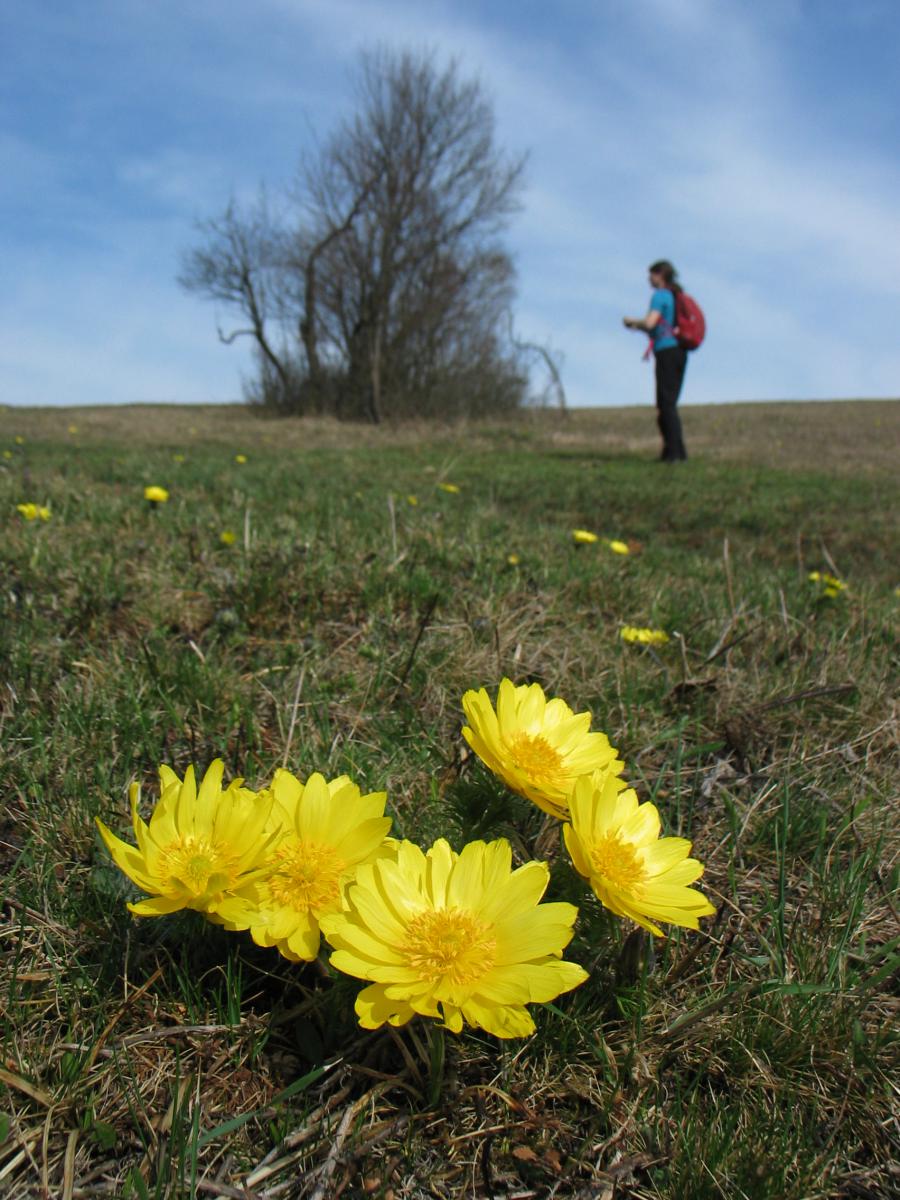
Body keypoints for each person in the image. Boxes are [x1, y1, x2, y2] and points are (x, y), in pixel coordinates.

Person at [623, 260, 688, 462]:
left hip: (666, 352)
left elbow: (651, 322)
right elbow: (657, 327)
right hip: (679, 351)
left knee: (665, 405)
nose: (648, 279)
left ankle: (674, 454)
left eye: (651, 274)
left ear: (660, 275)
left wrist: (633, 321)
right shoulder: (675, 296)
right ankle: (675, 452)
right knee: (668, 404)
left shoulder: (660, 296)